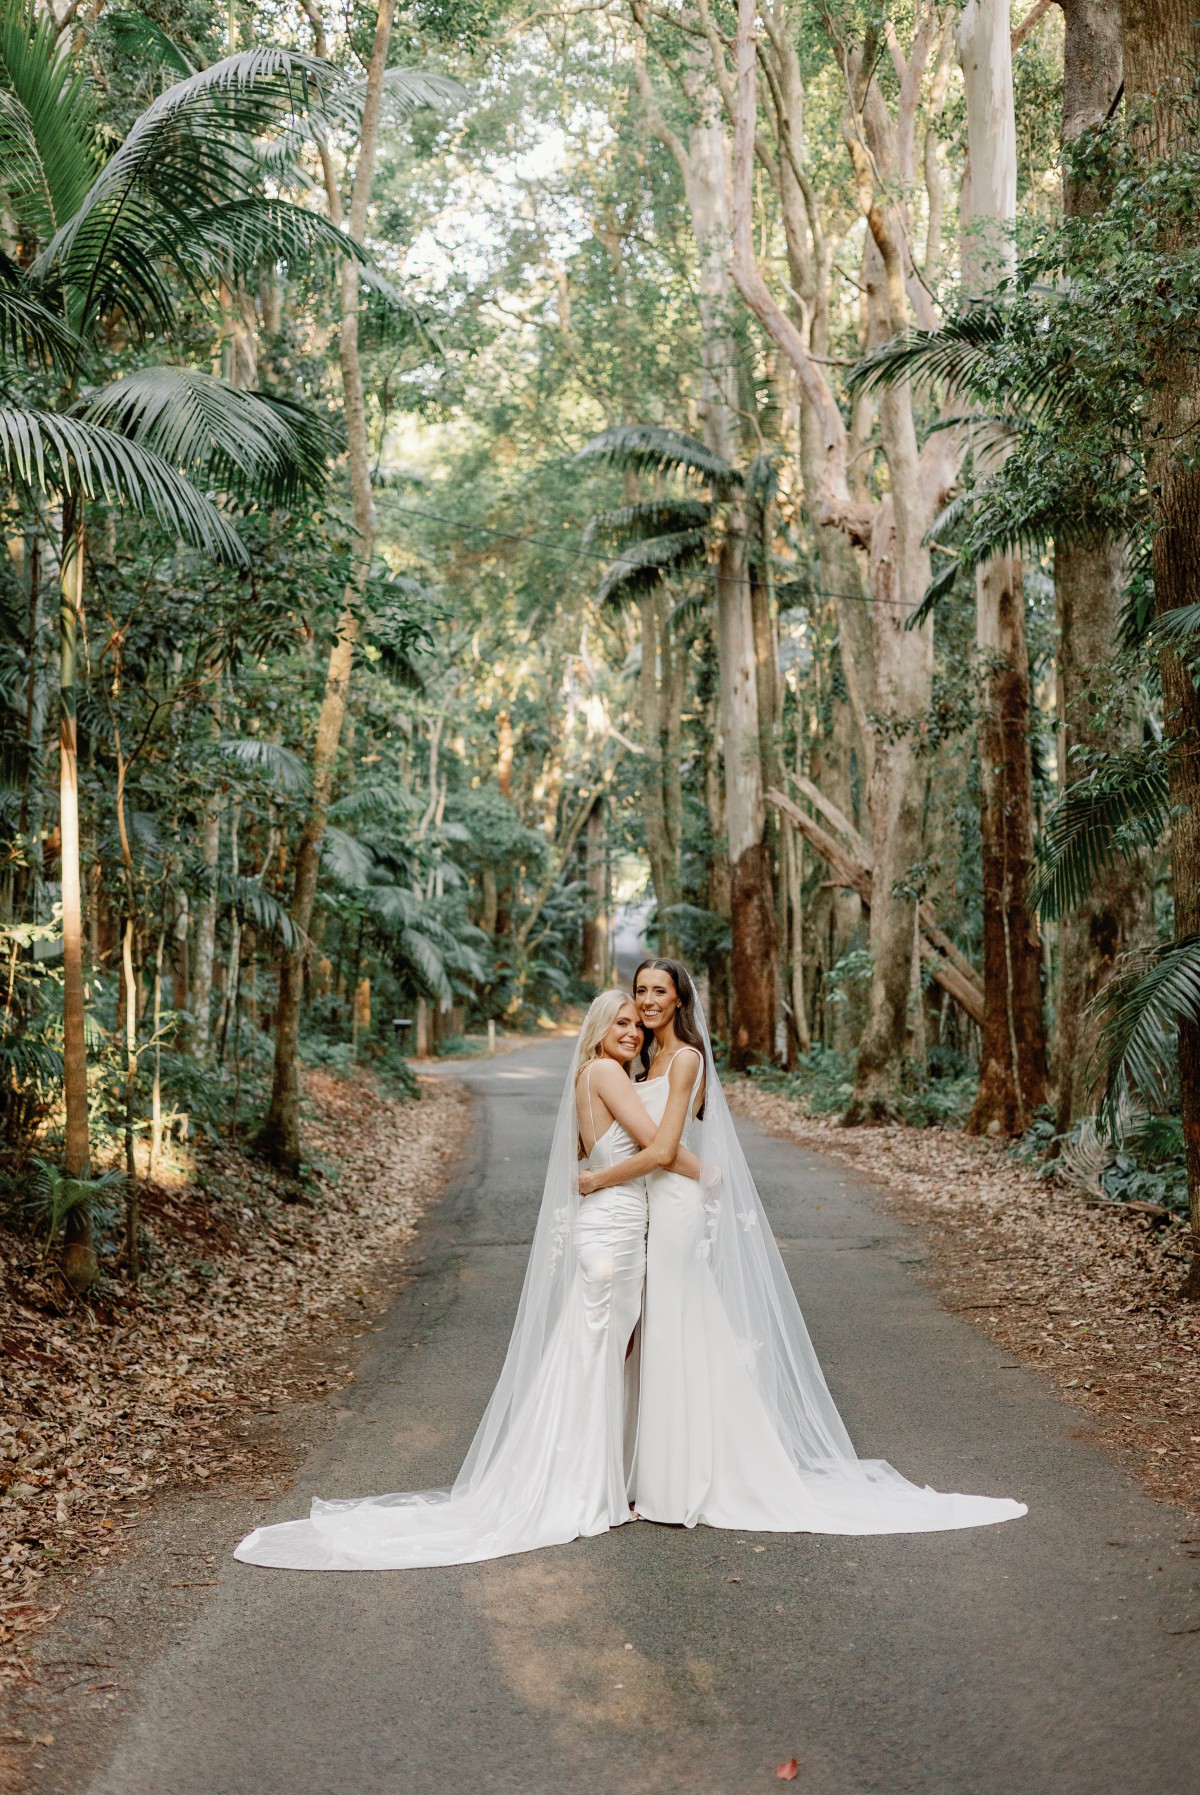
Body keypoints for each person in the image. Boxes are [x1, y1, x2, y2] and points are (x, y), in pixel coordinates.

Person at [234, 988, 690, 1570]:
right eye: (621, 1022)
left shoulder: (587, 1075)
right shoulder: (609, 1072)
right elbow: (658, 1146)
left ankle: (592, 1479)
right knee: (599, 1358)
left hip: (606, 1230)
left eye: (637, 1024)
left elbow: (594, 1150)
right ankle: (585, 1488)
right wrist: (695, 1158)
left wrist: (602, 1178)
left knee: (594, 1355)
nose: (633, 1031)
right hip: (614, 1232)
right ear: (600, 1028)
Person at [616, 957, 1027, 1535]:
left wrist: (686, 1175)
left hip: (675, 1208)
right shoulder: (640, 1059)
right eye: (641, 991)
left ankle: (679, 1484)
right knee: (662, 1330)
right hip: (648, 1205)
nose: (649, 1000)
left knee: (674, 1329)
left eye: (660, 990)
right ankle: (652, 1471)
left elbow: (662, 1150)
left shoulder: (684, 1059)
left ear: (680, 1000)